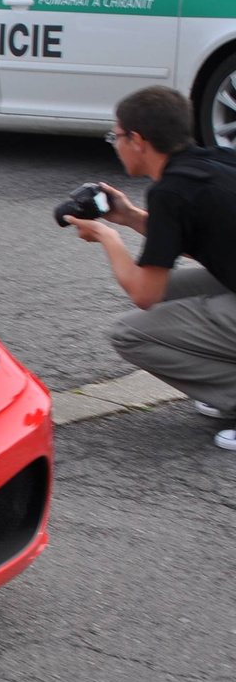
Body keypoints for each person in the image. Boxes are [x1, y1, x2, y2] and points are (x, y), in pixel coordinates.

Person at [66, 85, 236, 451]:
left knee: (131, 333)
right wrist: (128, 217)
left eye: (117, 135)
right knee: (172, 299)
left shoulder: (171, 192)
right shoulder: (217, 160)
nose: (115, 143)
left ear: (138, 140)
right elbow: (204, 240)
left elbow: (144, 293)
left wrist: (106, 235)